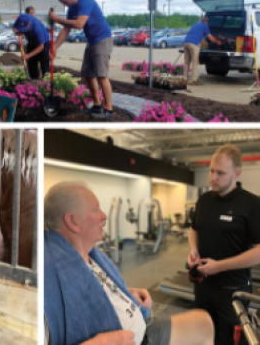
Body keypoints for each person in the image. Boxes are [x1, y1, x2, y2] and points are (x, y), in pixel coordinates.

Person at [44, 181, 214, 345]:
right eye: (95, 210)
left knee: (204, 322)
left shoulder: (92, 256)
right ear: (72, 221)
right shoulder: (49, 280)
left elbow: (97, 291)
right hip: (132, 340)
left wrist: (126, 292)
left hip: (143, 329)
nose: (104, 216)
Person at [189, 145, 260, 345]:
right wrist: (193, 249)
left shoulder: (252, 204)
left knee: (228, 340)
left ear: (237, 173)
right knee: (203, 336)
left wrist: (219, 266)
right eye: (211, 170)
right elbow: (194, 228)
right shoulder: (203, 200)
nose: (213, 177)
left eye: (220, 173)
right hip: (203, 286)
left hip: (233, 290)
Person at [50, 0, 115, 119]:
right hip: (91, 41)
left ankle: (109, 111)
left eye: (64, 1)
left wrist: (57, 19)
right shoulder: (71, 10)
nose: (65, 5)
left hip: (103, 39)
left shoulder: (86, 1)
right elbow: (66, 30)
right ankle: (97, 105)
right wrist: (54, 47)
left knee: (101, 76)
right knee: (87, 74)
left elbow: (79, 24)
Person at [183, 15, 221, 86]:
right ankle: (194, 80)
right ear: (206, 21)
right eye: (208, 22)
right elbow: (210, 37)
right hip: (193, 44)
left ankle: (184, 79)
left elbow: (195, 35)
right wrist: (217, 42)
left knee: (186, 62)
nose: (208, 23)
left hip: (186, 43)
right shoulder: (205, 26)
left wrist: (203, 42)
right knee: (195, 62)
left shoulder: (195, 25)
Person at [13, 13, 50, 80]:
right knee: (31, 63)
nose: (22, 30)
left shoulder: (37, 28)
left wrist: (28, 55)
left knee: (44, 63)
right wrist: (20, 37)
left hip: (43, 43)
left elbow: (41, 47)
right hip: (31, 42)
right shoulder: (20, 19)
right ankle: (34, 80)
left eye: (23, 29)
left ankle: (46, 82)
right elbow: (14, 28)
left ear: (29, 24)